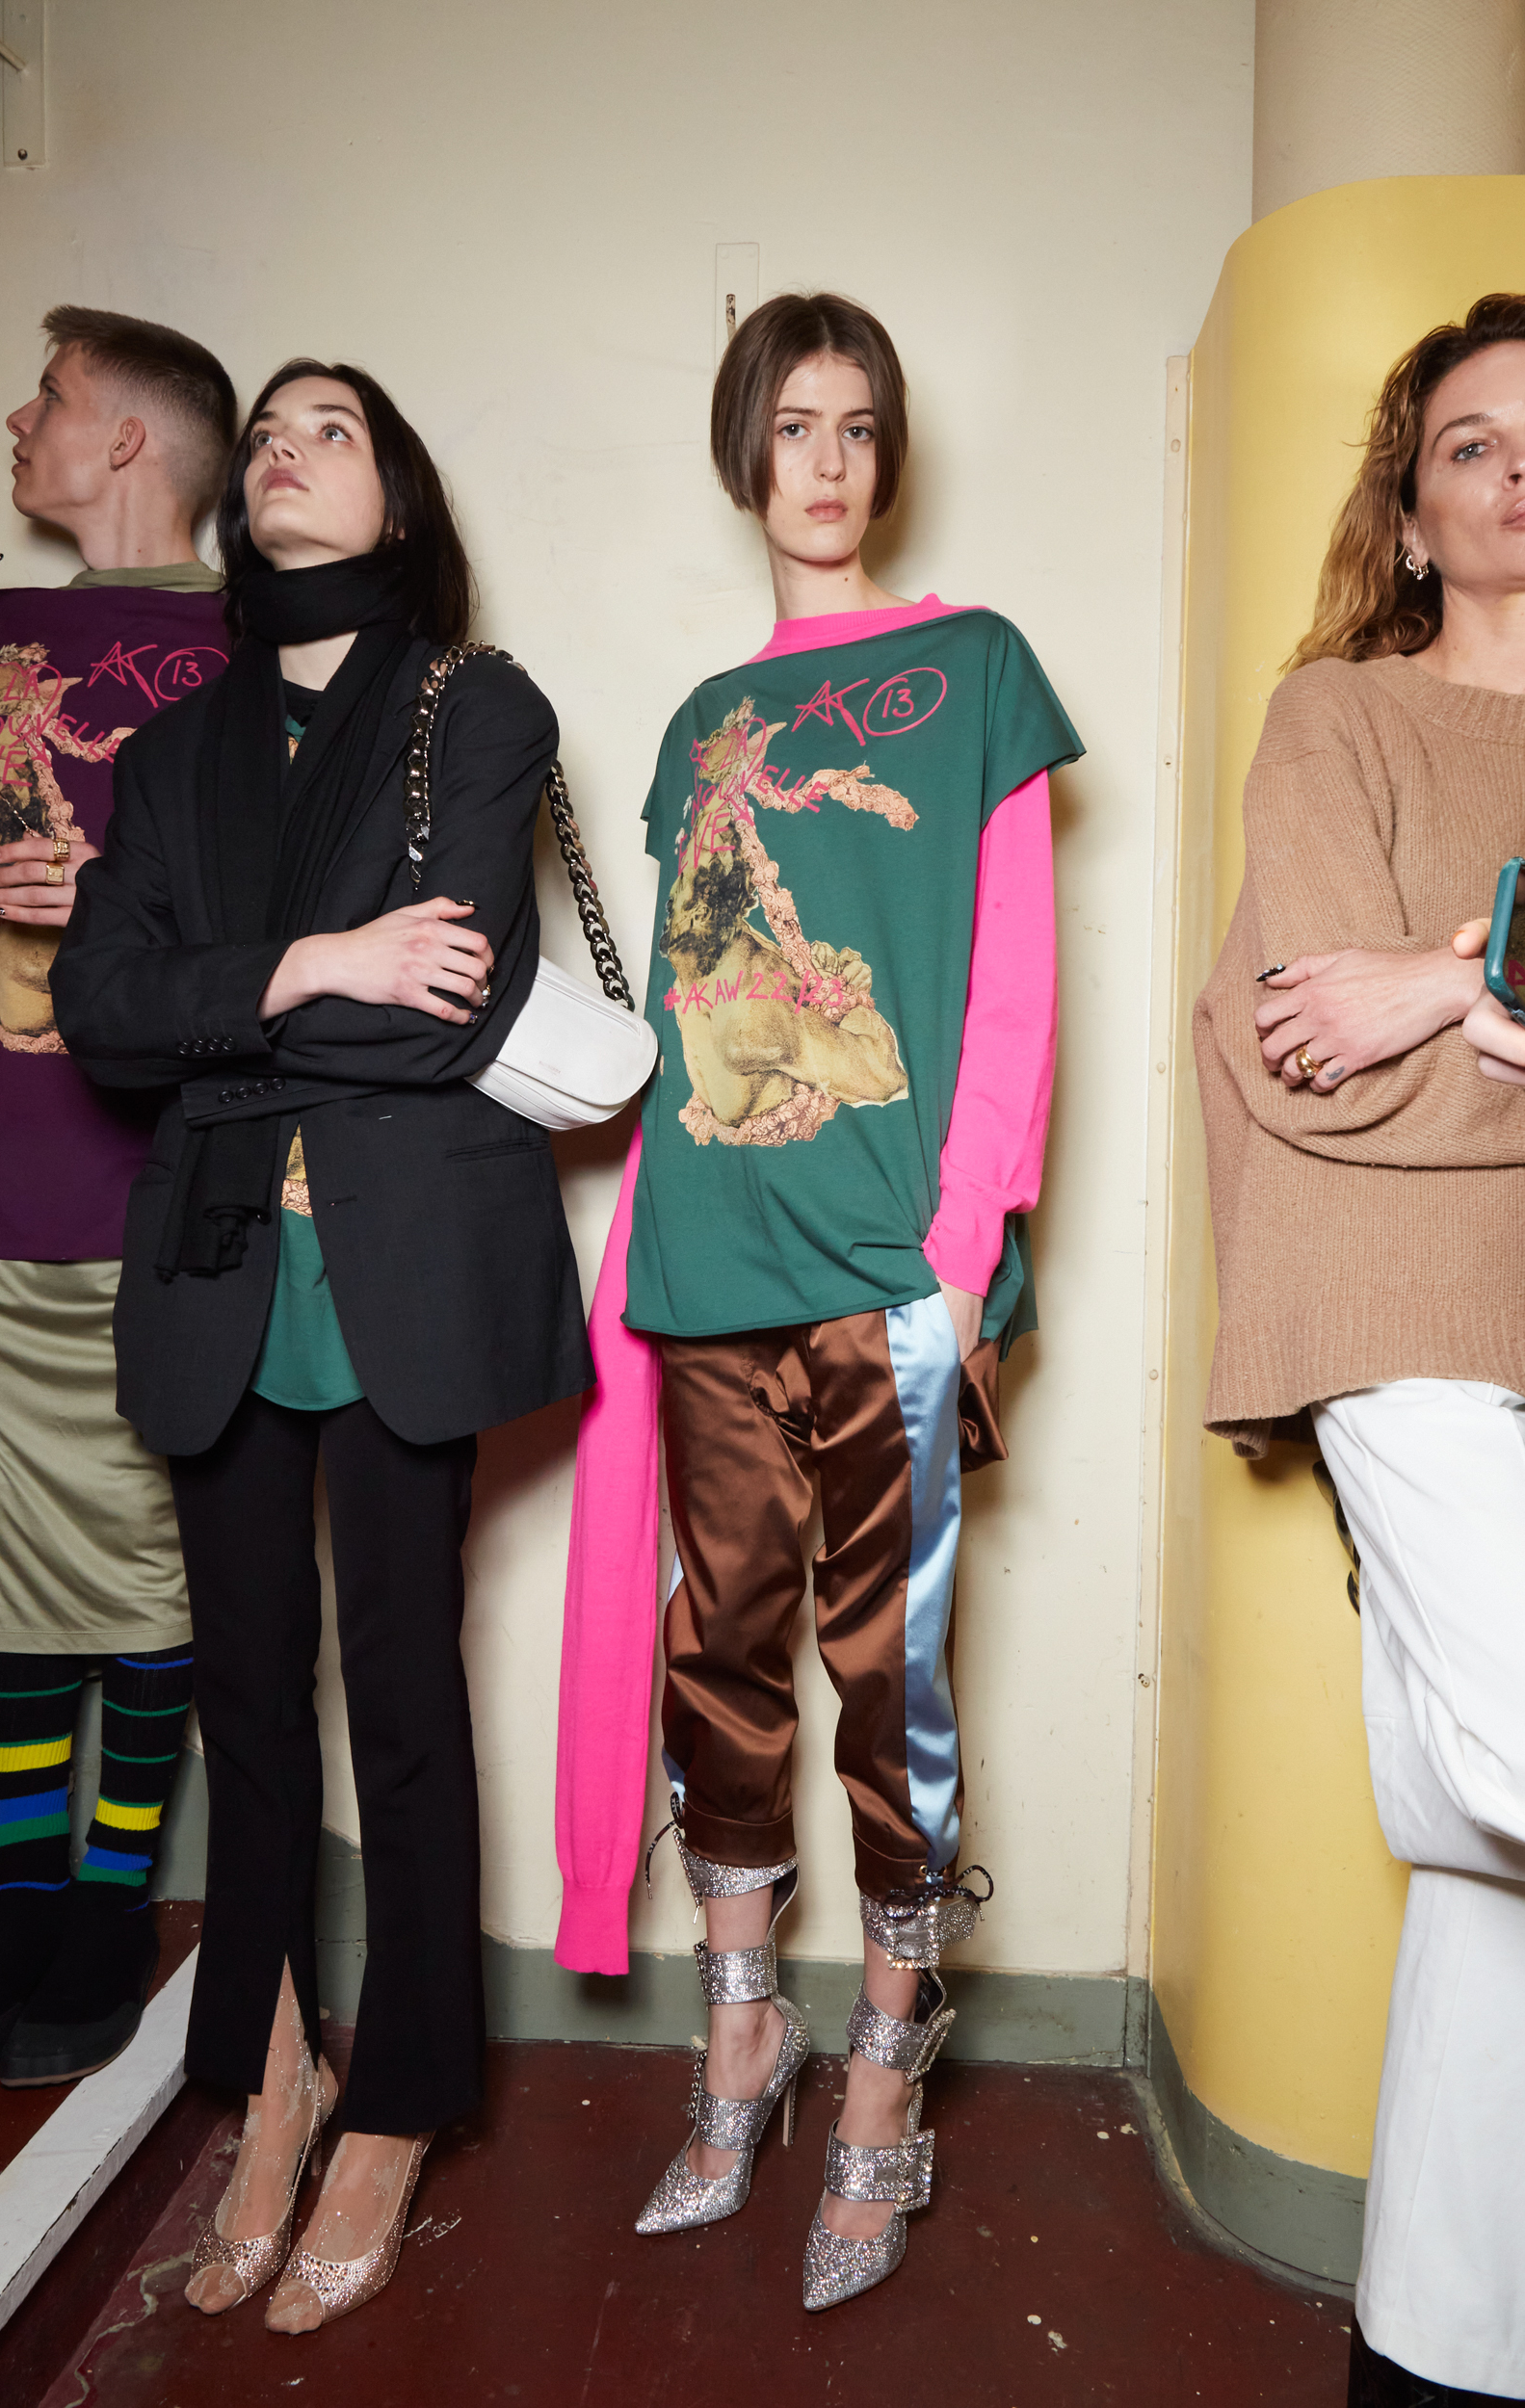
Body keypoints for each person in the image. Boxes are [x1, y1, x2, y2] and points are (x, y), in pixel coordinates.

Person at [552, 292, 1081, 2312]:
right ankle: (742, 2034)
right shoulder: (705, 717)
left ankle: (884, 2061)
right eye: (794, 426)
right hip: (708, 1256)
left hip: (888, 1273)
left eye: (858, 424)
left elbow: (1015, 981)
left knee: (895, 1679)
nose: (830, 461)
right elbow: (695, 976)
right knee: (721, 1661)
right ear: (745, 454)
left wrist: (963, 1248)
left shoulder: (976, 666)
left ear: (891, 450)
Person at [51, 359, 592, 2334]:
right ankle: (270, 2078)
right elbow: (101, 1016)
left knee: (405, 1694)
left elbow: (442, 1017)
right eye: (266, 431)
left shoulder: (476, 704)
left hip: (400, 1273)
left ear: (399, 500)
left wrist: (242, 1010)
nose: (285, 449)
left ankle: (405, 2098)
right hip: (219, 1274)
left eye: (330, 429)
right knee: (251, 1704)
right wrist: (315, 960)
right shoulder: (174, 752)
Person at [1196, 294, 1525, 2406]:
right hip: (1394, 1294)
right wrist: (1469, 992)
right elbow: (1318, 1060)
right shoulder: (1337, 713)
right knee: (1518, 1752)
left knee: (1483, 1850)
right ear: (1410, 512)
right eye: (1474, 442)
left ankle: (1434, 2358)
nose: (1520, 469)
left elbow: (1402, 1025)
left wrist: (1450, 978)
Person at [0, 307, 235, 2088]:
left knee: (147, 1550)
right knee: (19, 1558)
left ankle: (114, 1893)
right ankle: (30, 1889)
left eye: (47, 398)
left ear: (125, 439)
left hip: (162, 1177)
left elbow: (302, 913)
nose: (14, 420)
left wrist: (118, 894)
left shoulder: (252, 645)